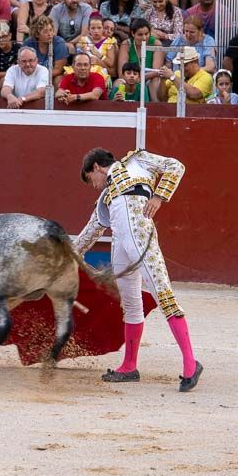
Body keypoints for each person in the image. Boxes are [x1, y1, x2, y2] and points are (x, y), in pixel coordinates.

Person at [73, 147, 201, 391]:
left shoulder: (137, 161)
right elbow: (90, 232)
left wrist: (159, 196)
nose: (95, 186)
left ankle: (191, 364)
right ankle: (129, 367)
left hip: (143, 240)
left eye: (92, 180)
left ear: (97, 168)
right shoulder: (105, 198)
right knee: (131, 305)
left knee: (164, 296)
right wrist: (66, 255)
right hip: (121, 247)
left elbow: (176, 166)